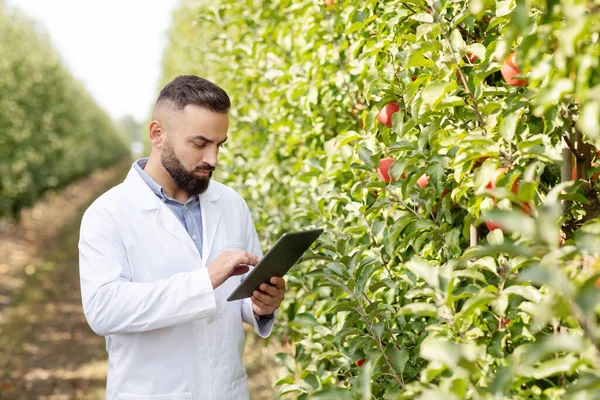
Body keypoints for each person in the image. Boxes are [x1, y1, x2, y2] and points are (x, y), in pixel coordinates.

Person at [78, 75, 285, 400]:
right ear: (158, 134)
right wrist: (204, 281)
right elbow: (104, 309)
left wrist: (262, 306)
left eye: (219, 145)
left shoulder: (231, 204)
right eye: (200, 143)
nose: (213, 159)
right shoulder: (108, 213)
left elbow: (240, 300)